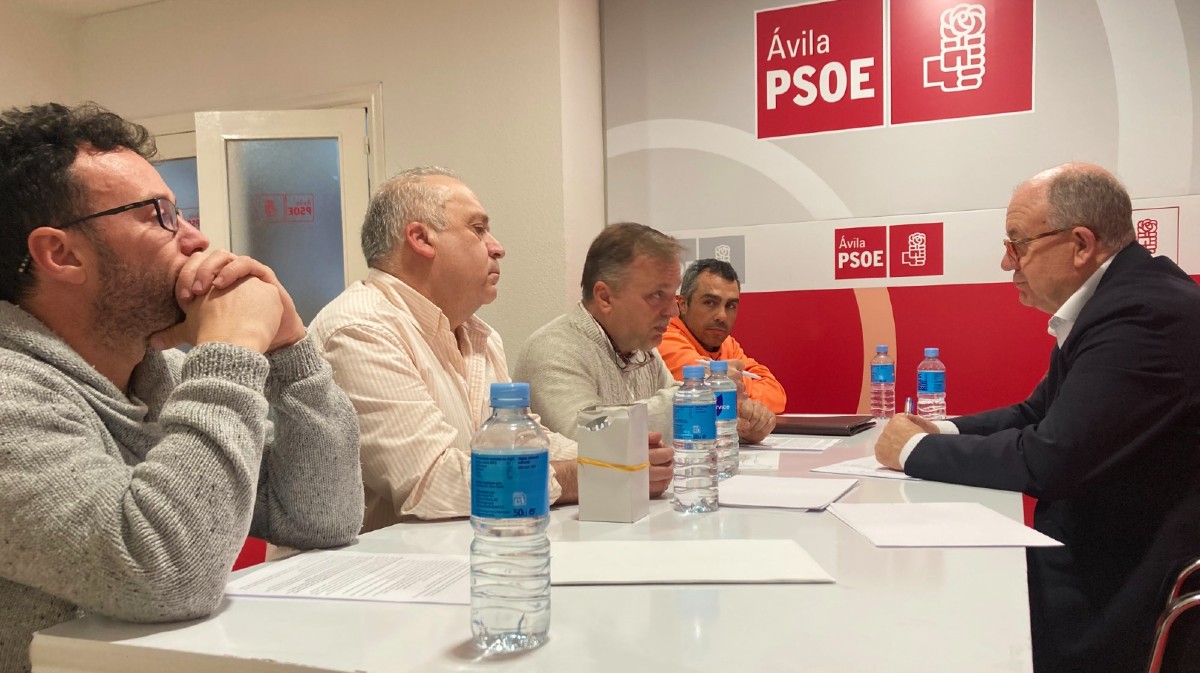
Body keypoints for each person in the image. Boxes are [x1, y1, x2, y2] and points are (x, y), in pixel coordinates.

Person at [0, 102, 363, 673]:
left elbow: (321, 518)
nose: (196, 238)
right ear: (61, 254)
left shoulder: (158, 375)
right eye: (160, 216)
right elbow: (164, 575)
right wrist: (233, 347)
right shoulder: (11, 394)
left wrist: (290, 350)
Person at [874, 163, 1200, 673]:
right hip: (1101, 552)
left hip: (1124, 586)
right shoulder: (1119, 299)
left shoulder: (1143, 315)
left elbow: (1053, 458)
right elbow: (1037, 412)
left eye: (1018, 243)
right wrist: (939, 428)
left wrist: (914, 450)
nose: (1007, 262)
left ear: (1080, 244)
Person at [309, 168, 672, 530]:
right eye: (478, 229)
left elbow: (527, 438)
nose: (498, 247)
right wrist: (595, 473)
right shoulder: (360, 329)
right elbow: (431, 482)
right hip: (387, 564)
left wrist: (618, 459)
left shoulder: (479, 335)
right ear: (420, 238)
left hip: (466, 548)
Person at [515, 223, 775, 443]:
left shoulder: (641, 349)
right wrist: (700, 393)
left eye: (672, 295)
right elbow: (586, 438)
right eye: (657, 295)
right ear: (605, 297)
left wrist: (738, 425)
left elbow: (675, 423)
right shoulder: (553, 350)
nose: (673, 310)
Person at [659, 258, 787, 426]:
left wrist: (732, 391)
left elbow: (776, 395)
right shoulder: (663, 336)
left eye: (731, 306)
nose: (722, 316)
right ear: (683, 304)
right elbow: (703, 393)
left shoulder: (727, 344)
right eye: (710, 303)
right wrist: (734, 389)